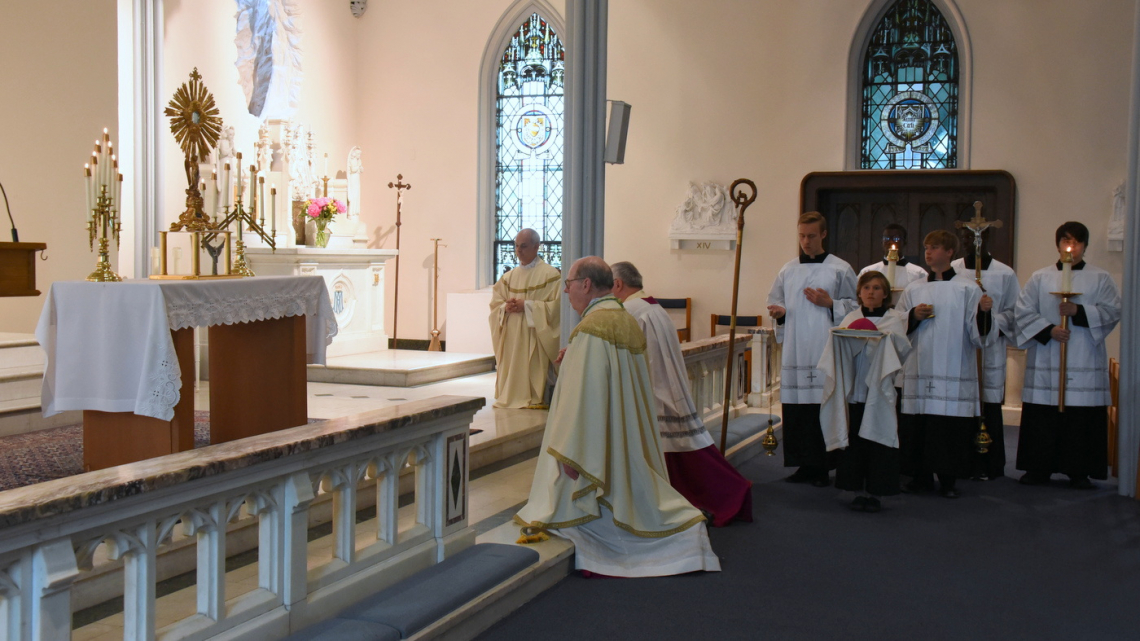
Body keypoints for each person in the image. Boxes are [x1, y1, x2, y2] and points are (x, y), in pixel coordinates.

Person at [515, 257, 719, 577]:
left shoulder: (592, 329)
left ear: (586, 284)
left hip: (600, 443)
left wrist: (573, 450)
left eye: (569, 284)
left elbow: (585, 395)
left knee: (593, 511)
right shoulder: (622, 318)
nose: (566, 291)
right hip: (624, 433)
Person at [611, 261, 752, 526]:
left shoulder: (629, 311)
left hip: (652, 392)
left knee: (675, 458)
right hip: (668, 387)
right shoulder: (654, 308)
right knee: (686, 454)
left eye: (609, 286)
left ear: (618, 284)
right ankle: (729, 491)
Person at [1014, 222, 1121, 489]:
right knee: (1044, 413)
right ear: (1058, 244)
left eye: (1076, 242)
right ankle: (1038, 468)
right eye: (1065, 241)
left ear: (1084, 246)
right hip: (1048, 355)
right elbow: (1023, 311)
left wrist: (1080, 312)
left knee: (1080, 417)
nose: (1070, 247)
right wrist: (1049, 330)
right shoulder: (1040, 277)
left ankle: (1079, 470)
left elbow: (1112, 311)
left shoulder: (1101, 278)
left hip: (1083, 355)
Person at [767, 211, 858, 487]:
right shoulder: (788, 269)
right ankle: (803, 465)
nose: (805, 242)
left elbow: (856, 309)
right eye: (801, 236)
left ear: (824, 235)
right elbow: (775, 302)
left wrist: (831, 304)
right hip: (796, 349)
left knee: (823, 407)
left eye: (811, 236)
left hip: (824, 348)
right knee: (797, 410)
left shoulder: (840, 269)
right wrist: (779, 313)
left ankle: (823, 466)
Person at [897, 230, 989, 499]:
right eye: (926, 247)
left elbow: (978, 333)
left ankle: (948, 480)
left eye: (935, 247)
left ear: (950, 252)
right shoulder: (914, 289)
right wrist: (912, 316)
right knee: (919, 426)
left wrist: (984, 313)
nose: (928, 252)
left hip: (953, 365)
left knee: (948, 428)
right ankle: (920, 478)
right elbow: (897, 322)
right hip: (919, 367)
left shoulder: (967, 288)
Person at [822, 271, 911, 513]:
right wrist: (854, 337)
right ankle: (855, 489)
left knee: (877, 438)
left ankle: (876, 492)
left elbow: (901, 350)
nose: (871, 292)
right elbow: (838, 348)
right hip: (854, 388)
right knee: (854, 440)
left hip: (879, 390)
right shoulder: (850, 317)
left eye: (877, 288)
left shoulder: (893, 320)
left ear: (885, 294)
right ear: (859, 293)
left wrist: (877, 339)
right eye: (866, 288)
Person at [951, 226, 1020, 480]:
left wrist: (988, 319)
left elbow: (1014, 312)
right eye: (968, 237)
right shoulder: (953, 270)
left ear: (987, 239)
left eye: (978, 237)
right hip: (961, 349)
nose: (972, 242)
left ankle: (989, 464)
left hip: (990, 349)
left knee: (988, 403)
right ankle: (961, 463)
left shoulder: (1005, 273)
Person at [488, 229, 560, 409]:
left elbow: (556, 309)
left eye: (524, 246)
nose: (518, 251)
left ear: (537, 247)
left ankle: (535, 396)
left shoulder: (550, 275)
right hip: (512, 334)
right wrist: (506, 308)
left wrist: (527, 306)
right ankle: (511, 394)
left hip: (534, 334)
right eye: (516, 246)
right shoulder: (508, 277)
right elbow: (495, 304)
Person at [858, 223, 928, 291]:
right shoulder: (868, 271)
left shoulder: (918, 273)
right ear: (882, 242)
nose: (890, 242)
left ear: (904, 242)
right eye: (886, 238)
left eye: (896, 239)